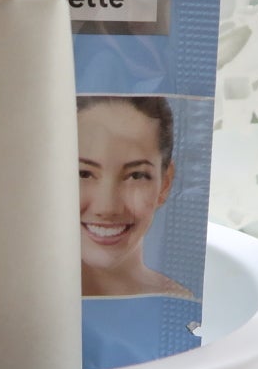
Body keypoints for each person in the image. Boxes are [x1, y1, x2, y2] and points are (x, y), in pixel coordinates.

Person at [76, 95, 193, 298]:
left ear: (165, 184)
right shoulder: (21, 299)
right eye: (84, 173)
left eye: (136, 176)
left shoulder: (178, 301)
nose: (107, 208)